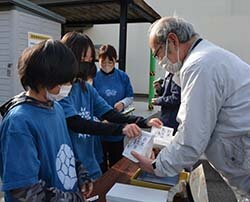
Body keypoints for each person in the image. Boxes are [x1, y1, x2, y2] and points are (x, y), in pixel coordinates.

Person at [132, 16, 250, 199]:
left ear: (172, 40)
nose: (160, 61)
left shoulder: (199, 66)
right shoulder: (208, 57)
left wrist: (157, 166)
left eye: (157, 53)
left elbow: (192, 137)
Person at [60, 32, 162, 179]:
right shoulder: (60, 92)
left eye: (90, 60)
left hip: (91, 162)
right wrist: (121, 129)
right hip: (69, 169)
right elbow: (77, 124)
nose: (88, 65)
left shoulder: (85, 88)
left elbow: (109, 113)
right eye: (83, 59)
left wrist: (143, 121)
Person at [0, 40, 93, 201]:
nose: (68, 86)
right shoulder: (19, 122)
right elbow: (24, 191)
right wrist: (73, 199)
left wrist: (81, 174)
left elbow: (65, 152)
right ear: (45, 79)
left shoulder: (56, 108)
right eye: (63, 82)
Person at [93, 44, 134, 171]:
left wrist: (122, 103)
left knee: (117, 160)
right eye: (103, 61)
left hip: (117, 126)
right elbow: (89, 102)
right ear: (98, 60)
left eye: (110, 61)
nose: (106, 64)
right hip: (99, 127)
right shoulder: (94, 78)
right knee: (101, 161)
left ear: (115, 60)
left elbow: (130, 96)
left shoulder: (123, 76)